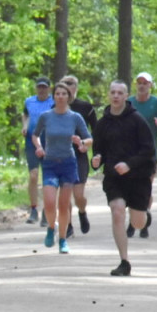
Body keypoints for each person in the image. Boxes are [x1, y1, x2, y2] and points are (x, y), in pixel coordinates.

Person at [91, 81, 156, 276]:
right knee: (117, 211)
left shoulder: (137, 120)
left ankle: (144, 216)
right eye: (113, 92)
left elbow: (148, 150)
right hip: (114, 177)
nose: (116, 96)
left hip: (138, 177)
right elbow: (98, 149)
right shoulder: (103, 123)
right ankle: (124, 261)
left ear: (126, 96)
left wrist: (129, 164)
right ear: (108, 95)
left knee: (137, 223)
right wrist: (96, 159)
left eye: (120, 93)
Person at [32, 81, 92, 254]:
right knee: (50, 203)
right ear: (53, 96)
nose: (60, 97)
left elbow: (89, 139)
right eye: (57, 94)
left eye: (63, 94)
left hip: (68, 163)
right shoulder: (46, 116)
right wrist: (39, 147)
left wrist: (81, 143)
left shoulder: (75, 117)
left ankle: (63, 240)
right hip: (50, 163)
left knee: (63, 204)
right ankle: (52, 227)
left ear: (69, 97)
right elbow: (35, 135)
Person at [126, 72, 157, 237]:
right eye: (139, 82)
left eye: (145, 83)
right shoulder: (129, 103)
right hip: (130, 153)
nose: (142, 85)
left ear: (150, 85)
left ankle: (144, 219)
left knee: (145, 188)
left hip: (149, 153)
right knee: (131, 188)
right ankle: (133, 222)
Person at [60, 75, 99, 236]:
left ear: (76, 87)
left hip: (80, 155)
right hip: (61, 155)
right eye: (64, 84)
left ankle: (82, 211)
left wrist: (90, 147)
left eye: (71, 84)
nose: (67, 87)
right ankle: (68, 225)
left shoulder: (85, 107)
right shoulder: (54, 108)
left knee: (78, 195)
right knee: (65, 193)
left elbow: (96, 132)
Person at [22, 77, 54, 224]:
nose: (42, 90)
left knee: (48, 178)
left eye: (44, 87)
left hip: (49, 142)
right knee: (34, 175)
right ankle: (33, 209)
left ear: (48, 88)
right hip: (31, 141)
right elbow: (25, 115)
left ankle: (46, 212)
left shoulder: (53, 101)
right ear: (36, 88)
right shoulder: (29, 101)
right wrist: (24, 126)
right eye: (39, 87)